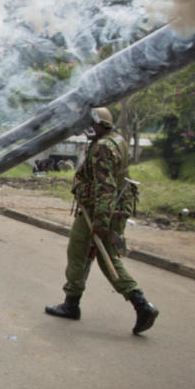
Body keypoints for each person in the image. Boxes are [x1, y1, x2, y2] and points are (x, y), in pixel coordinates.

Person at [44, 107, 159, 334]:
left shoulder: (102, 148)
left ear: (101, 125)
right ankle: (72, 302)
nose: (88, 128)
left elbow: (105, 187)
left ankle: (140, 303)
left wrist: (100, 221)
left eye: (92, 124)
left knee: (92, 256)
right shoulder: (116, 140)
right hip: (111, 209)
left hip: (99, 211)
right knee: (91, 255)